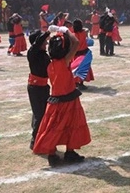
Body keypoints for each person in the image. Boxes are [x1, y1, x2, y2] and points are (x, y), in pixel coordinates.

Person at [33, 26, 91, 166]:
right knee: (73, 125)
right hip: (69, 99)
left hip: (55, 101)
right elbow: (76, 43)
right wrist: (65, 30)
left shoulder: (50, 65)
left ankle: (52, 154)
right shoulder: (64, 62)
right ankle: (69, 152)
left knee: (53, 128)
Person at [26, 30, 51, 150]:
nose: (46, 42)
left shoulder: (43, 53)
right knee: (39, 114)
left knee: (42, 113)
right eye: (44, 41)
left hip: (44, 86)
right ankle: (34, 141)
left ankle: (41, 135)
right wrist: (48, 32)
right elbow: (39, 41)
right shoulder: (32, 52)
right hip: (35, 87)